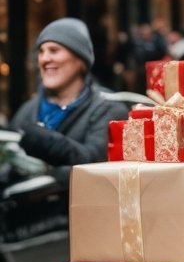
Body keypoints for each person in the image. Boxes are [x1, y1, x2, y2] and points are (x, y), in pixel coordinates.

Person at [10, 17, 129, 188]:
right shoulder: (27, 110)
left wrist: (43, 142)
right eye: (41, 51)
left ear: (81, 61)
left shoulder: (108, 109)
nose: (45, 59)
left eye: (54, 50)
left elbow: (94, 166)